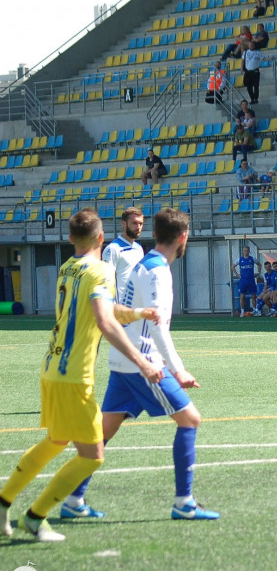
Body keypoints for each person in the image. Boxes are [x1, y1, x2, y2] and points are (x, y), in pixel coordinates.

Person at [0, 209, 160, 541]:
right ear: (101, 238)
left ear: (71, 239)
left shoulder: (67, 267)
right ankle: (35, 516)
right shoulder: (102, 270)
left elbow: (103, 308)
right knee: (92, 455)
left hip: (51, 368)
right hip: (74, 375)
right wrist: (142, 362)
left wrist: (136, 312)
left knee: (55, 441)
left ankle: (3, 504)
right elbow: (104, 320)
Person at [69, 208, 220, 523]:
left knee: (102, 434)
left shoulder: (144, 262)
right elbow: (157, 326)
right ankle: (184, 502)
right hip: (143, 363)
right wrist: (178, 369)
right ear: (182, 237)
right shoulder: (157, 271)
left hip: (123, 361)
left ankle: (72, 497)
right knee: (190, 420)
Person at [103, 207, 145, 303]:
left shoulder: (139, 249)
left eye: (141, 224)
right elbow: (106, 282)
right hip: (118, 311)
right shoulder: (113, 249)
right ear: (124, 224)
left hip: (134, 308)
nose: (138, 227)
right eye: (134, 223)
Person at [233, 245, 259, 317]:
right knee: (242, 296)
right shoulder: (240, 259)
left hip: (251, 280)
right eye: (245, 250)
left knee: (253, 295)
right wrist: (237, 274)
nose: (246, 252)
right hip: (243, 280)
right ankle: (242, 311)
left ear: (249, 251)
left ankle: (255, 310)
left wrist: (258, 273)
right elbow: (233, 266)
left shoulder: (252, 258)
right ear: (243, 251)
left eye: (247, 250)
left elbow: (259, 264)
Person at [242, 40, 261, 104]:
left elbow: (262, 59)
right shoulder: (245, 52)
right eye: (250, 45)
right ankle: (252, 98)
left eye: (252, 45)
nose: (251, 46)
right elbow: (243, 60)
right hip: (248, 72)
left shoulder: (258, 52)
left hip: (255, 71)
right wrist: (242, 68)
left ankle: (256, 98)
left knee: (256, 86)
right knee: (248, 86)